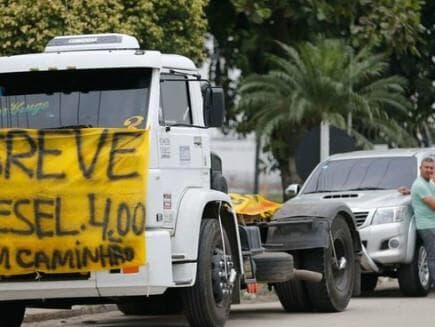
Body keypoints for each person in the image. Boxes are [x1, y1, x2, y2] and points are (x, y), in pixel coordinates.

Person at [411, 157, 435, 289]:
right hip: (427, 226)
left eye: (431, 168)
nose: (429, 170)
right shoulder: (419, 184)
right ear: (420, 168)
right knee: (433, 256)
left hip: (432, 224)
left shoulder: (429, 184)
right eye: (426, 167)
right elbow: (433, 205)